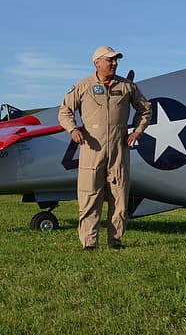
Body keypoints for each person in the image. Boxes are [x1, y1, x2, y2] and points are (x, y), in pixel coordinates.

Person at [59, 45, 152, 251]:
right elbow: (64, 111)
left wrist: (137, 131)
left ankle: (116, 241)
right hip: (92, 150)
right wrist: (73, 129)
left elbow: (146, 109)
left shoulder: (127, 86)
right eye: (110, 59)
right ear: (97, 63)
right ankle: (89, 243)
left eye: (116, 60)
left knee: (119, 197)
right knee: (90, 195)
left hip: (119, 150)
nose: (114, 63)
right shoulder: (83, 86)